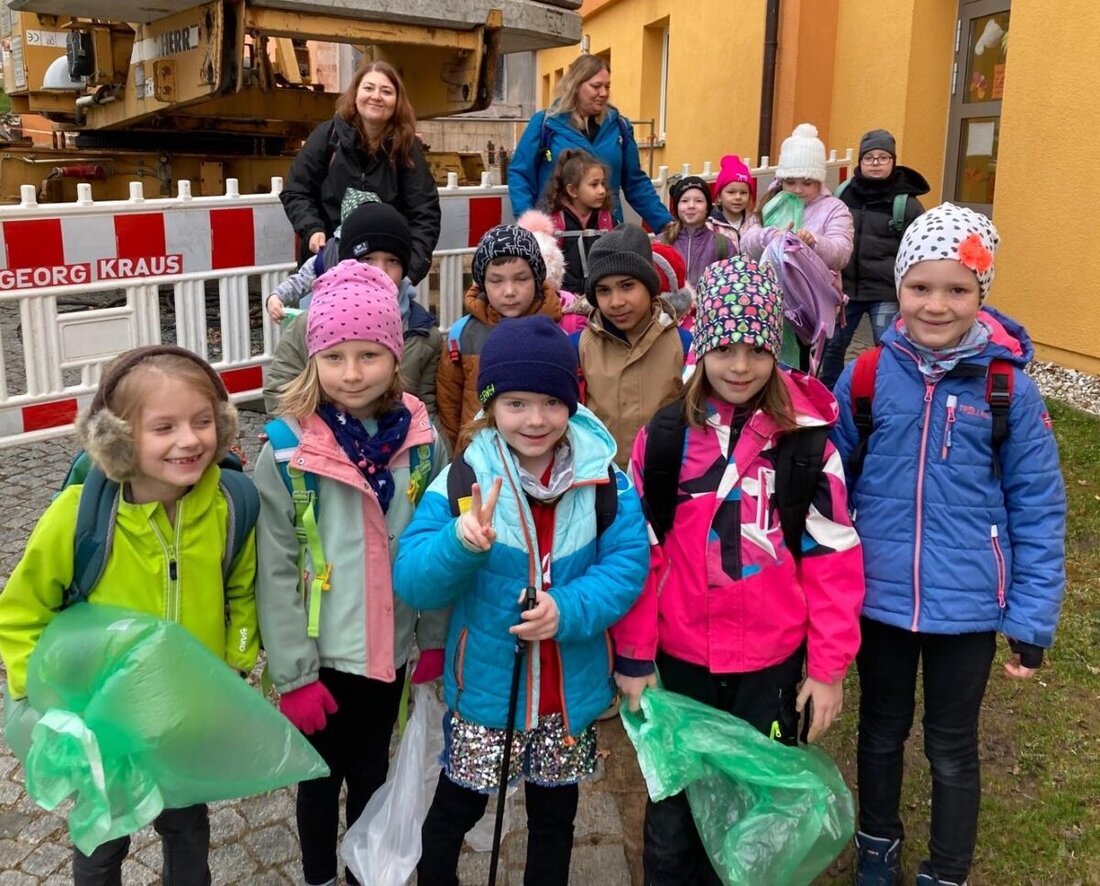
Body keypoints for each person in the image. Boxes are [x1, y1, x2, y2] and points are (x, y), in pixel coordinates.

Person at [830, 204, 1066, 886]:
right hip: (880, 599)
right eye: (921, 287)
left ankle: (948, 868)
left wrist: (1029, 619)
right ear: (898, 288)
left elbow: (1039, 507)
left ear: (981, 295)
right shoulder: (868, 376)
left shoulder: (1007, 390)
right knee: (879, 731)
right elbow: (831, 482)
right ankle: (878, 846)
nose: (937, 304)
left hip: (967, 607)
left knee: (952, 746)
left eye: (957, 289)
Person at [613, 257, 864, 885]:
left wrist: (828, 670)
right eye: (725, 347)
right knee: (674, 819)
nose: (741, 366)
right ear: (702, 347)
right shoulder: (665, 439)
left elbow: (834, 561)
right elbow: (643, 555)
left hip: (769, 668)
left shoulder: (808, 445)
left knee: (759, 815)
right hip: (681, 663)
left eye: (757, 348)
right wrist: (637, 658)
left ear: (777, 349)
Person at [392, 315, 649, 886]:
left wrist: (569, 609)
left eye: (551, 403)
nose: (535, 419)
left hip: (568, 693)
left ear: (570, 402)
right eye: (516, 404)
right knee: (457, 809)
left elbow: (628, 564)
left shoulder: (604, 480)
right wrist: (462, 545)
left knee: (555, 817)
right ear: (490, 407)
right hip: (486, 691)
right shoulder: (464, 480)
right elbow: (411, 579)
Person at [0, 345, 260, 885]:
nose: (189, 440)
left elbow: (241, 585)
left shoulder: (230, 504)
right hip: (105, 726)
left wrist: (233, 662)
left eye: (203, 421)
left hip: (185, 718)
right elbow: (19, 614)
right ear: (117, 440)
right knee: (101, 845)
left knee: (187, 829)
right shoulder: (76, 518)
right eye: (163, 427)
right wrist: (47, 702)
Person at [254, 259, 449, 886]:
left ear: (395, 354)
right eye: (335, 357)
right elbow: (276, 568)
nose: (352, 373)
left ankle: (370, 873)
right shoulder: (286, 449)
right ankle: (319, 877)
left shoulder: (421, 438)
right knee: (318, 785)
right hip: (322, 655)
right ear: (313, 359)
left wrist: (436, 638)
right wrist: (292, 674)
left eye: (369, 355)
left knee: (374, 775)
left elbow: (439, 542)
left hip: (390, 653)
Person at [263, 201, 441, 421]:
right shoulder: (309, 324)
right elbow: (281, 390)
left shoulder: (422, 332)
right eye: (366, 259)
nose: (380, 271)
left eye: (392, 261)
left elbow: (427, 407)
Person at [280, 60, 440, 283]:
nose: (376, 96)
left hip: (385, 277)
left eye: (386, 91)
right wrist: (313, 228)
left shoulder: (406, 148)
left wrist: (408, 273)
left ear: (397, 101)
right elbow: (296, 191)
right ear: (355, 94)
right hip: (328, 267)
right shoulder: (327, 137)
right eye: (368, 88)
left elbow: (425, 214)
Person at [509, 54, 674, 235]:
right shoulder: (545, 123)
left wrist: (664, 223)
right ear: (576, 86)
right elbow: (520, 174)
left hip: (607, 230)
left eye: (607, 86)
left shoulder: (620, 127)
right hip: (555, 234)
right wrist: (531, 224)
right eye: (596, 86)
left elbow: (635, 183)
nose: (603, 93)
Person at [573, 223, 691, 467]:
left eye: (627, 286)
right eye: (604, 291)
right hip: (601, 482)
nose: (616, 302)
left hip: (666, 480)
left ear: (650, 287)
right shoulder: (578, 347)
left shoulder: (684, 345)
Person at [818, 129, 929, 389]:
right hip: (846, 291)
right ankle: (829, 396)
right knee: (832, 348)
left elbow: (918, 250)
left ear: (893, 161)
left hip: (885, 291)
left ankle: (884, 396)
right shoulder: (843, 194)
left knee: (887, 347)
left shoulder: (907, 203)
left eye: (882, 157)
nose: (875, 163)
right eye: (869, 158)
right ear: (860, 162)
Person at [436, 224, 562, 451]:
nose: (509, 291)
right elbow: (448, 405)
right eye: (496, 281)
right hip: (477, 457)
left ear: (537, 278)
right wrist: (459, 454)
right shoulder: (462, 336)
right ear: (482, 282)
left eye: (521, 279)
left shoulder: (556, 333)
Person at [741, 123, 853, 275]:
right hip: (772, 290)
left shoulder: (834, 208)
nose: (798, 189)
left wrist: (813, 242)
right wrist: (771, 235)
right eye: (790, 182)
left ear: (819, 181)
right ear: (781, 181)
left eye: (807, 183)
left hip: (813, 292)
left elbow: (841, 254)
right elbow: (746, 245)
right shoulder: (770, 202)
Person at [539, 148, 614, 296]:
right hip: (564, 298)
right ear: (572, 191)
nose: (602, 191)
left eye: (603, 184)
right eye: (594, 185)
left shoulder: (606, 221)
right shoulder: (553, 224)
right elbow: (546, 270)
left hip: (599, 296)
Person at [660, 175, 733, 286]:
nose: (691, 206)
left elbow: (732, 281)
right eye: (684, 201)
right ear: (676, 207)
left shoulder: (723, 244)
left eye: (698, 201)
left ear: (708, 207)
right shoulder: (662, 243)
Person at [707, 154, 757, 255]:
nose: (738, 197)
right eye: (731, 192)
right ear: (719, 197)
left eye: (743, 193)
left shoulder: (755, 222)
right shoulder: (710, 226)